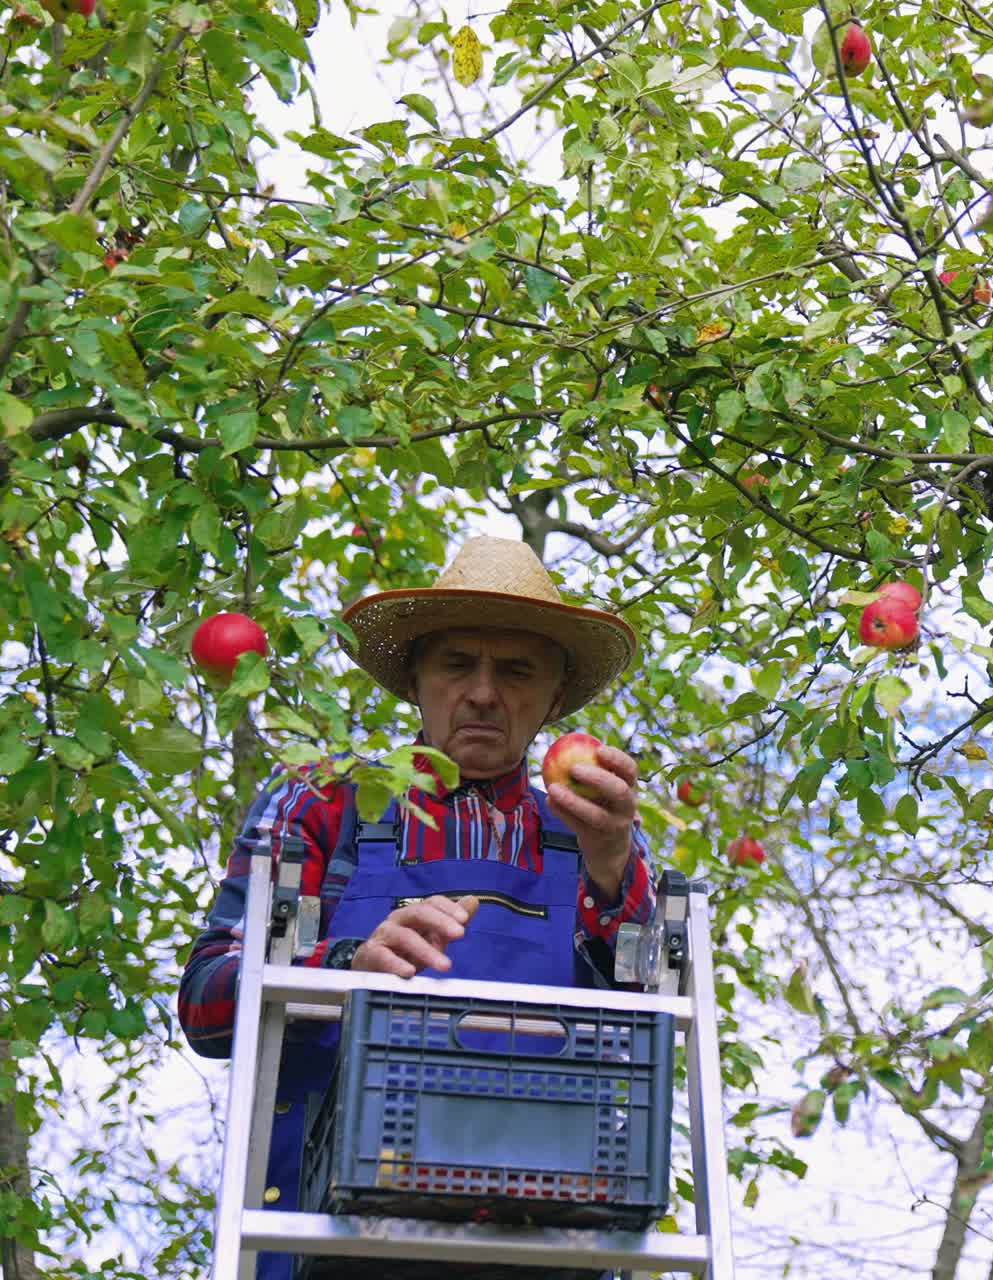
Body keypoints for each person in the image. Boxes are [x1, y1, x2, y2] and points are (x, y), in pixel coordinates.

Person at [179, 534, 657, 1280]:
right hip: (327, 1235)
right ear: (415, 676)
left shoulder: (593, 828)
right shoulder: (324, 799)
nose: (484, 692)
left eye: (518, 670)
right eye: (457, 663)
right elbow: (208, 1002)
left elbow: (648, 1032)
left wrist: (611, 872)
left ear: (556, 697)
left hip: (545, 1236)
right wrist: (342, 971)